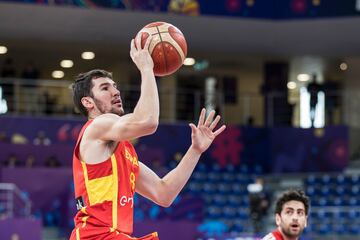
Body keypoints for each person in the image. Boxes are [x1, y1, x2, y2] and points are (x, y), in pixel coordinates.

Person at [69, 36, 226, 240]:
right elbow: (148, 122)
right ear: (88, 102)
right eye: (105, 88)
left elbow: (164, 193)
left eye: (115, 86)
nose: (116, 92)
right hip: (96, 236)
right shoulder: (96, 127)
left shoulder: (124, 153)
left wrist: (195, 150)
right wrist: (146, 69)